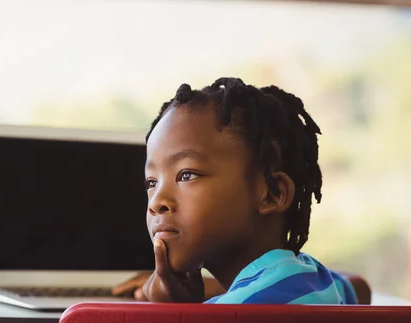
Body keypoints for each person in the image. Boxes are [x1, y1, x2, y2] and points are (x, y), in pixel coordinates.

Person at [112, 77, 362, 304]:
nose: (157, 202)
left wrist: (166, 312)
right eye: (151, 183)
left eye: (186, 175)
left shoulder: (233, 318)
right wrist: (219, 289)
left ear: (272, 193)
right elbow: (360, 289)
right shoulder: (312, 278)